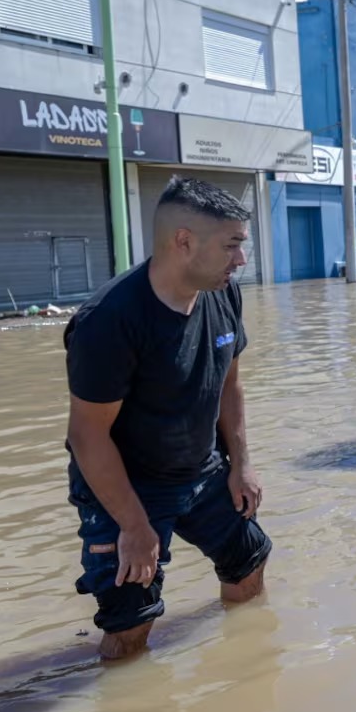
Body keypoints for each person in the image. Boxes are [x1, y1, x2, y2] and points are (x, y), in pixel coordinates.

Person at [63, 177, 271, 660]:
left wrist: (241, 464)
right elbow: (87, 435)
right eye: (232, 246)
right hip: (127, 486)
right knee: (130, 622)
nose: (241, 260)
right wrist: (134, 527)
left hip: (202, 470)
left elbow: (229, 386)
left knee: (249, 563)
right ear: (184, 242)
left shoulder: (222, 294)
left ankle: (246, 672)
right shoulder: (109, 320)